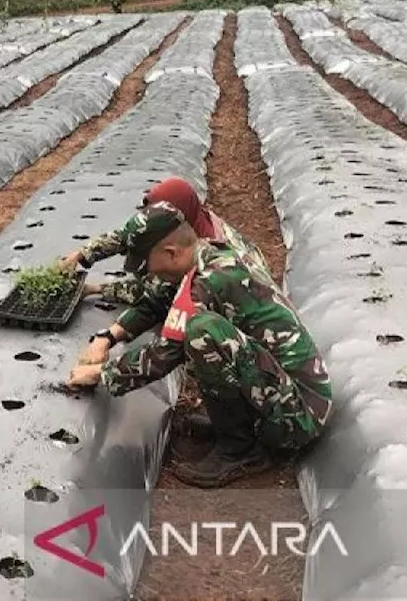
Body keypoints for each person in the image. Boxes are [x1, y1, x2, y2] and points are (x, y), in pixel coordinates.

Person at [66, 203, 332, 488]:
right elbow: (156, 301)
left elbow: (166, 352)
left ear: (170, 253)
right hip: (279, 392)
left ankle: (239, 449)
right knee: (203, 333)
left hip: (297, 417)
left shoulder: (215, 277)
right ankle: (234, 426)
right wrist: (108, 338)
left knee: (201, 333)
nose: (146, 273)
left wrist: (100, 374)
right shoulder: (202, 258)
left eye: (146, 263)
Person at [58, 176, 271, 308]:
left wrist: (96, 289)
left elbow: (156, 293)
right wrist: (82, 255)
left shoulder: (208, 256)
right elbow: (136, 234)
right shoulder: (187, 218)